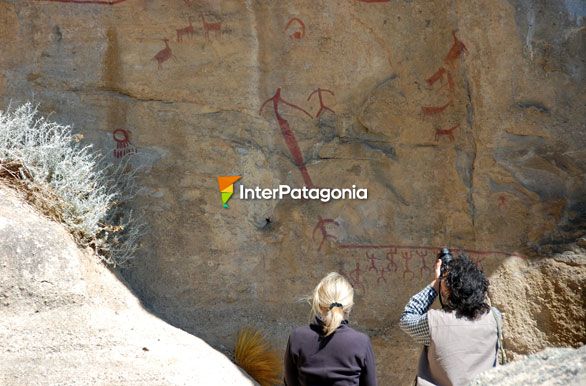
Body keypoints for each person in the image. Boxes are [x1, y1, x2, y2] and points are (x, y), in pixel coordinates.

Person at [399, 249, 503, 386]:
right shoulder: (495, 317)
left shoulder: (432, 323)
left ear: (447, 290)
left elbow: (407, 317)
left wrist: (436, 284)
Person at [284, 272, 378, 386]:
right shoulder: (361, 342)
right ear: (349, 306)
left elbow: (290, 382)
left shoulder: (297, 337)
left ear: (318, 304)